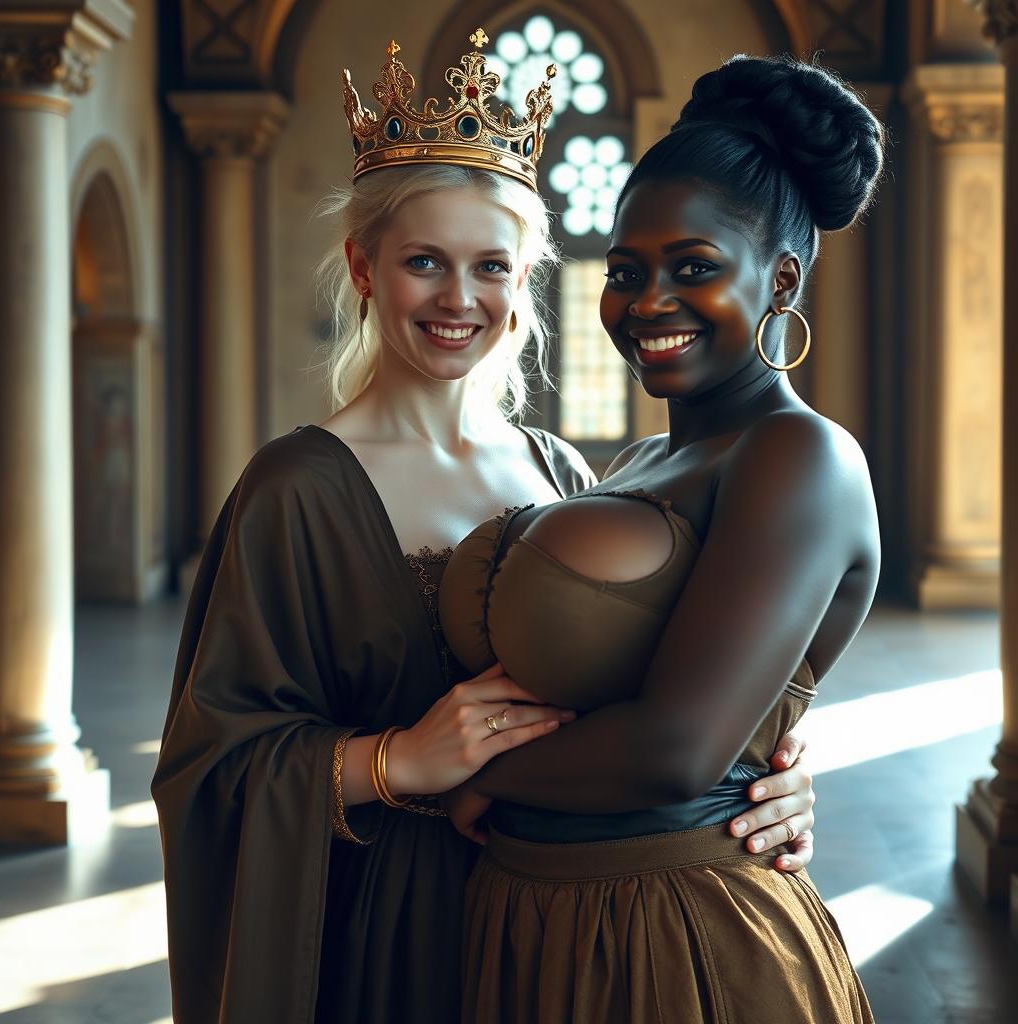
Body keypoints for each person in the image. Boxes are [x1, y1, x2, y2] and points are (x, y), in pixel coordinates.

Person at [151, 36, 820, 1024]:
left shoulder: (561, 475)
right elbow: (209, 765)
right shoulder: (294, 487)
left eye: (490, 266)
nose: (458, 297)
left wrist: (770, 773)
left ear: (525, 283)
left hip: (564, 916)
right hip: (389, 928)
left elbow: (659, 690)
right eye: (424, 261)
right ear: (364, 266)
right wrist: (397, 760)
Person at [438, 53, 884, 1023]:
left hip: (679, 935)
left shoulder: (798, 455)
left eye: (694, 268)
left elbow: (679, 749)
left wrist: (466, 778)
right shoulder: (641, 460)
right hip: (531, 920)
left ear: (781, 279)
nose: (646, 303)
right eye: (624, 271)